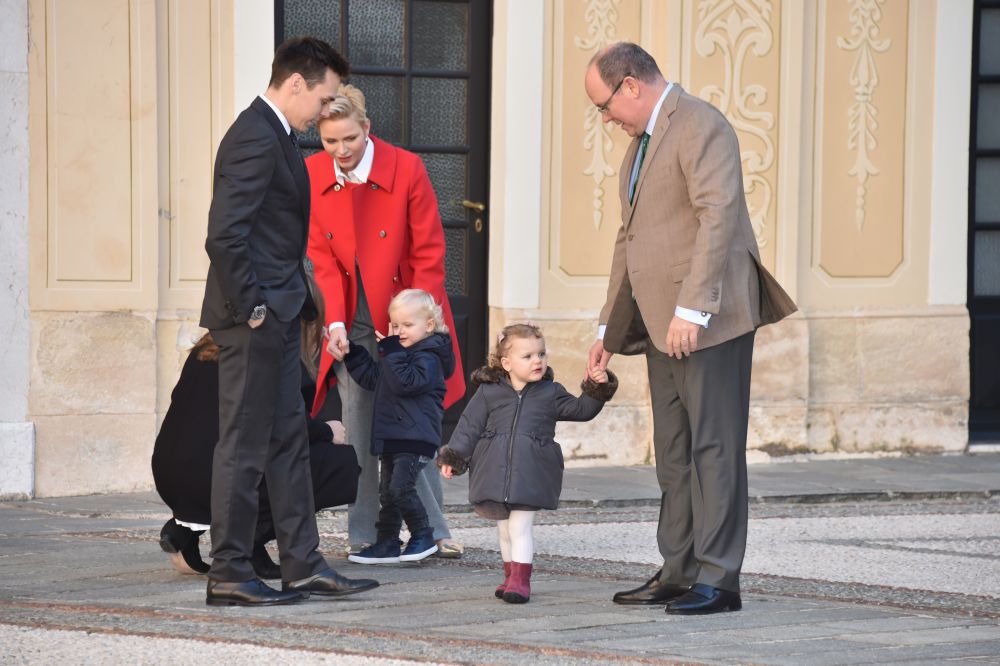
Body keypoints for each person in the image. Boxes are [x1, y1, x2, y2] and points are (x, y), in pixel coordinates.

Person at [582, 42, 797, 615]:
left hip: (709, 322)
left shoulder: (701, 124)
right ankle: (679, 570)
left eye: (605, 106)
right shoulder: (638, 149)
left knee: (714, 448)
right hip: (659, 323)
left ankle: (720, 579)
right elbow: (630, 244)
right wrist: (608, 328)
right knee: (673, 453)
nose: (605, 119)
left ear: (631, 85)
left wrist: (694, 309)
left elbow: (717, 216)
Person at [199, 36, 377, 607]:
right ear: (296, 83)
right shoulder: (254, 135)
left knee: (286, 443)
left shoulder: (275, 134)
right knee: (244, 446)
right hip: (253, 319)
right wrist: (253, 308)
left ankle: (302, 565)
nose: (326, 111)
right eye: (324, 98)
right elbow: (225, 235)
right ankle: (228, 570)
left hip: (274, 317)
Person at [306, 83, 466, 558]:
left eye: (349, 139)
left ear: (367, 128)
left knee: (412, 427)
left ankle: (434, 531)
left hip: (406, 314)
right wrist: (334, 323)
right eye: (330, 140)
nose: (340, 151)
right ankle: (366, 534)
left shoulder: (406, 167)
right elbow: (320, 257)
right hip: (350, 318)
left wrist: (415, 324)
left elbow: (429, 252)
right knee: (358, 426)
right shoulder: (313, 172)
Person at [152, 326, 360, 581]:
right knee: (338, 464)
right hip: (212, 478)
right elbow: (284, 423)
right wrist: (327, 431)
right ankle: (247, 543)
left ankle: (183, 529)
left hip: (170, 475)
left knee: (238, 457)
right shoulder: (268, 352)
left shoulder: (207, 346)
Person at [437, 324, 618, 603]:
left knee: (520, 527)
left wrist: (598, 386)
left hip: (532, 470)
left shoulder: (550, 392)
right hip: (492, 470)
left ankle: (521, 582)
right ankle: (509, 575)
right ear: (506, 363)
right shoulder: (488, 393)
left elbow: (582, 410)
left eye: (541, 354)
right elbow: (468, 427)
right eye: (528, 356)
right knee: (504, 528)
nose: (538, 361)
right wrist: (454, 457)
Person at [340, 289, 454, 564]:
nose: (399, 331)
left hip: (415, 437)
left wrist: (390, 351)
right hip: (393, 435)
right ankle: (387, 542)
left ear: (428, 326)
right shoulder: (399, 355)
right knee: (388, 493)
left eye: (407, 325)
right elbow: (373, 378)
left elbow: (408, 382)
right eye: (395, 325)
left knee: (400, 488)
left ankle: (423, 535)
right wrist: (353, 353)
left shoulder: (429, 355)